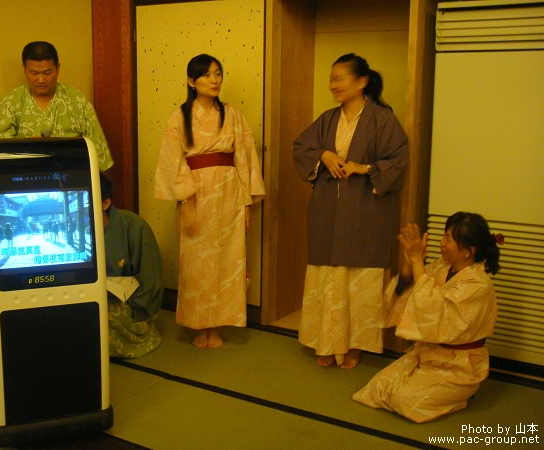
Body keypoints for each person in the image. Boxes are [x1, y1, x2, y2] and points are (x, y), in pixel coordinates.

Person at [293, 53, 408, 369]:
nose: (333, 85)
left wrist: (365, 167)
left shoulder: (383, 119)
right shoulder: (328, 119)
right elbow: (301, 148)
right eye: (331, 79)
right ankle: (325, 341)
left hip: (366, 212)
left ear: (361, 81)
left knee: (359, 282)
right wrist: (324, 154)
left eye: (339, 78)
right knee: (327, 279)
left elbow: (398, 161)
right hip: (328, 209)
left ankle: (355, 344)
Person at [154, 54, 265, 349]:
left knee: (227, 261)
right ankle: (198, 324)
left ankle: (216, 325)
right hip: (196, 196)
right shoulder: (179, 116)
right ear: (191, 81)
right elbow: (172, 161)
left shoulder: (232, 114)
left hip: (229, 194)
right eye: (206, 75)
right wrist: (185, 202)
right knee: (196, 262)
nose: (214, 80)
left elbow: (244, 158)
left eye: (218, 74)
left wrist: (246, 203)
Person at [353, 212, 502, 423]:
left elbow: (432, 307)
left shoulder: (478, 285)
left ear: (468, 252)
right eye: (444, 236)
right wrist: (409, 264)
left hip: (459, 366)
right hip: (426, 353)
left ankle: (460, 396)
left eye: (448, 239)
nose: (441, 243)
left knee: (404, 400)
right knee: (377, 388)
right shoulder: (441, 267)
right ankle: (427, 387)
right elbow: (410, 290)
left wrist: (417, 262)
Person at [0, 41, 114, 171]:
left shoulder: (77, 101)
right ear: (24, 69)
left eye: (47, 73)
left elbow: (97, 153)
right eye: (34, 73)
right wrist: (27, 149)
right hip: (24, 182)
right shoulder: (10, 104)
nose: (41, 80)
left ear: (58, 68)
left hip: (73, 179)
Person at [101, 172, 164, 358]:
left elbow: (151, 283)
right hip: (91, 297)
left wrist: (135, 306)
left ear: (106, 203)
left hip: (130, 305)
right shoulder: (75, 231)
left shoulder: (134, 227)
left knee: (96, 318)